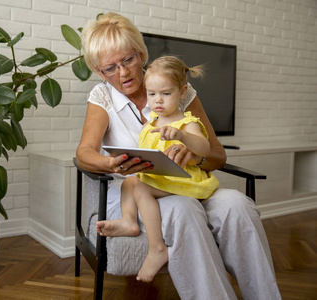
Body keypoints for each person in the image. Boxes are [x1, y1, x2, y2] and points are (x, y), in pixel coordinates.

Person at [76, 12, 281, 300]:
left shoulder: (177, 88)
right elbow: (84, 153)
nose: (122, 73)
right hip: (140, 193)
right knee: (183, 209)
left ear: (141, 54)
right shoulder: (103, 97)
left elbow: (217, 156)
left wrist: (194, 157)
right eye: (111, 67)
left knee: (237, 204)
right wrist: (109, 163)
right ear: (100, 72)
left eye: (128, 60)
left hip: (189, 183)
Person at [96, 56, 220, 282]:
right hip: (163, 176)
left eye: (166, 93)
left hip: (184, 180)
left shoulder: (186, 122)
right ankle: (129, 221)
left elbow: (204, 148)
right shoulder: (151, 123)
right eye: (152, 94)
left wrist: (182, 136)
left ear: (182, 93)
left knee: (142, 189)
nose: (158, 100)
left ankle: (157, 248)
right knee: (129, 182)